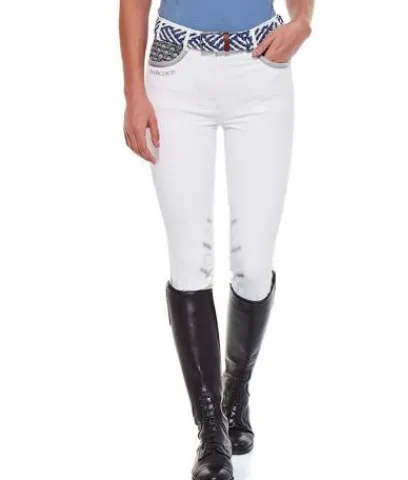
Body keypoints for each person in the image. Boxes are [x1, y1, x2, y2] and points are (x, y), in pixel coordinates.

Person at [119, 0, 313, 478]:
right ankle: (210, 428)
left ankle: (236, 389)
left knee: (255, 264)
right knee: (189, 258)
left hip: (262, 71)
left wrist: (303, 21)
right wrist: (133, 94)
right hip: (176, 73)